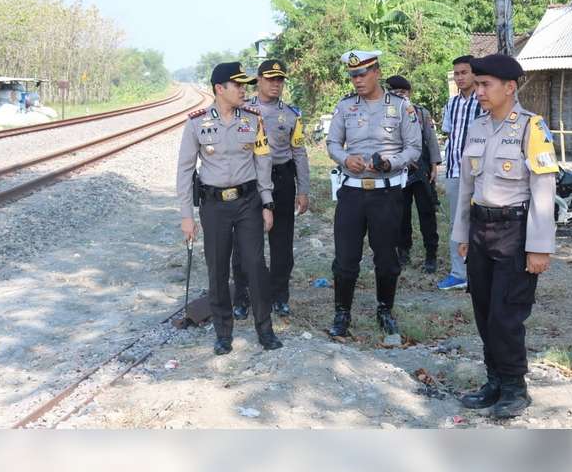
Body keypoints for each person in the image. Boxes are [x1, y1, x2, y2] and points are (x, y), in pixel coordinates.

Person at [452, 54, 558, 418]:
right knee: (483, 311)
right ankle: (494, 381)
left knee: (506, 315)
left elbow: (544, 189)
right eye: (476, 84)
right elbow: (468, 184)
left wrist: (540, 247)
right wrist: (462, 233)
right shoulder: (478, 127)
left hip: (515, 230)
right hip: (480, 228)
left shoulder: (533, 128)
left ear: (510, 88)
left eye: (485, 85)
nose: (477, 90)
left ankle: (515, 387)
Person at [177, 61, 283, 355]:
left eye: (245, 85)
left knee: (255, 265)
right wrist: (187, 215)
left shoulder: (253, 118)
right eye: (238, 85)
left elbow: (263, 162)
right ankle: (223, 333)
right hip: (213, 206)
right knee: (218, 268)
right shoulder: (196, 122)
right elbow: (185, 171)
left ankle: (265, 330)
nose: (243, 90)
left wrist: (267, 203)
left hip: (248, 202)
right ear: (219, 89)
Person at [325, 50, 421, 337]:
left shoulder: (402, 107)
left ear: (377, 72)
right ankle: (342, 313)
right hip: (352, 193)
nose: (357, 80)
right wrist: (344, 159)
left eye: (363, 73)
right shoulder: (345, 107)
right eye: (353, 75)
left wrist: (392, 163)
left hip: (387, 195)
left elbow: (414, 148)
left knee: (387, 258)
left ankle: (385, 310)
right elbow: (332, 143)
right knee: (345, 258)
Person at [231, 59, 311, 319]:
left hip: (282, 179)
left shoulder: (290, 114)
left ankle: (280, 296)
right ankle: (242, 297)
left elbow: (299, 152)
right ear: (259, 81)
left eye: (280, 80)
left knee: (282, 243)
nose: (276, 84)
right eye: (270, 79)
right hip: (250, 180)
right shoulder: (242, 110)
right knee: (244, 243)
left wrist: (303, 189)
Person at [385, 75, 441, 274]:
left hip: (421, 170)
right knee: (402, 214)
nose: (399, 96)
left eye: (402, 92)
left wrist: (434, 165)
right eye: (394, 93)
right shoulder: (385, 114)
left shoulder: (420, 112)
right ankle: (403, 251)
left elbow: (431, 139)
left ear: (409, 93)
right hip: (398, 171)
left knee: (427, 212)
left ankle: (431, 254)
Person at [438, 55, 482, 290]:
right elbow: (449, 135)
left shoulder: (484, 101)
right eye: (456, 73)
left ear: (475, 74)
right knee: (458, 224)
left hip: (480, 174)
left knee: (483, 224)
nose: (460, 77)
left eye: (464, 72)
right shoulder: (452, 103)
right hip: (454, 171)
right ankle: (459, 273)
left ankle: (480, 272)